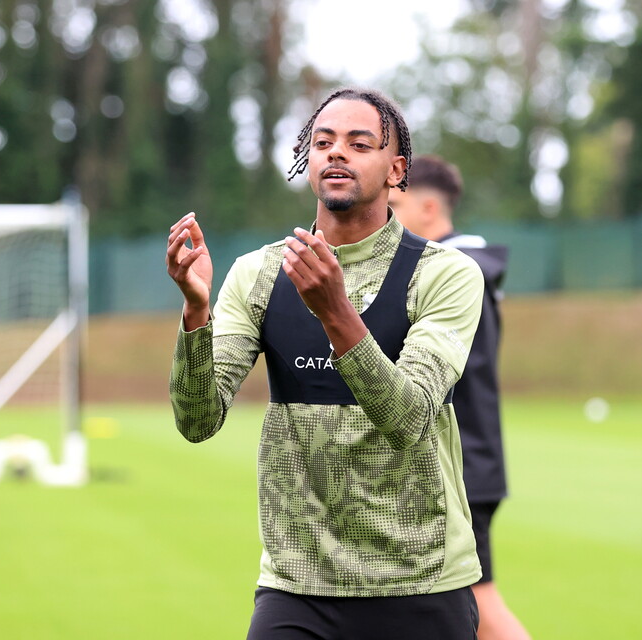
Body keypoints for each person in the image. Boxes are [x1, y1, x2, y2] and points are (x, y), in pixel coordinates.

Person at [166, 88, 485, 639]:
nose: (337, 153)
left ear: (396, 169)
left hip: (420, 583)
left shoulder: (445, 274)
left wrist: (337, 313)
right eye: (323, 142)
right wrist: (197, 312)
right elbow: (197, 421)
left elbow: (408, 418)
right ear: (307, 160)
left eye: (360, 144)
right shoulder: (257, 274)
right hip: (296, 586)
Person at [388, 155, 530, 640]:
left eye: (396, 204)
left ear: (428, 208)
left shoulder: (459, 273)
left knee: (480, 603)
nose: (387, 217)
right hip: (464, 461)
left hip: (463, 464)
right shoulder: (458, 272)